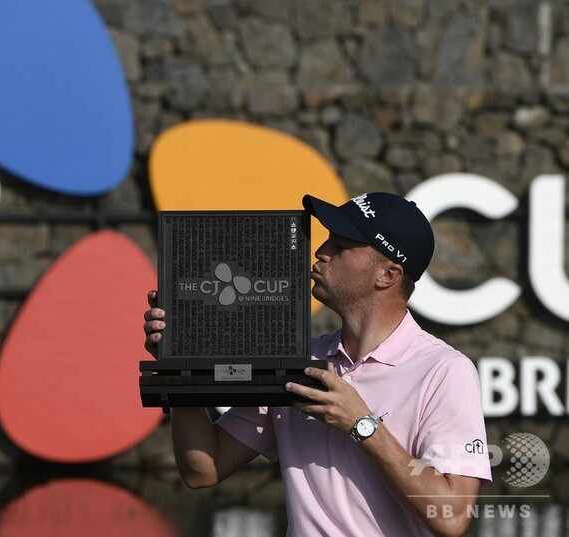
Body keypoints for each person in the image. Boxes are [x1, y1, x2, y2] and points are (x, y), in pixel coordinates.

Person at [143, 192, 491, 537]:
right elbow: (203, 470)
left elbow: (451, 517)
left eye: (340, 245)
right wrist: (180, 365)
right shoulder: (297, 361)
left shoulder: (444, 370)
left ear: (388, 274)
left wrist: (362, 426)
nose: (321, 252)